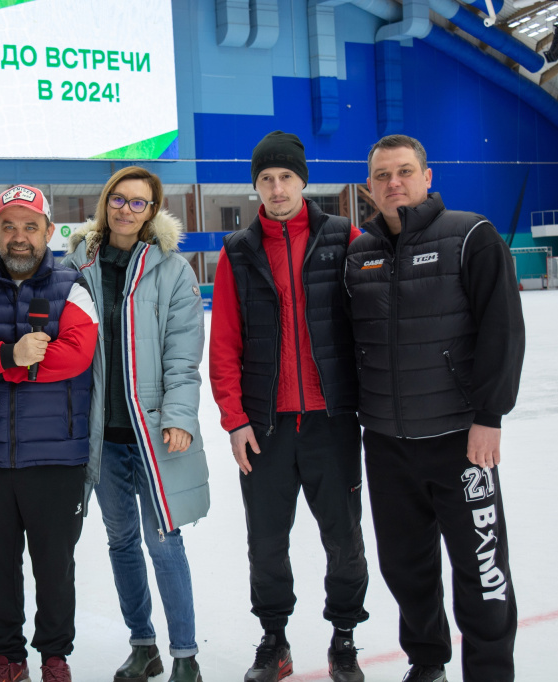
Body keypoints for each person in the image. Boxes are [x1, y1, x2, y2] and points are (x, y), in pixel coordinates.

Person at [345, 135, 524, 682]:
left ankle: (489, 673)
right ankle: (427, 663)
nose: (393, 182)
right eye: (382, 175)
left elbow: (502, 331)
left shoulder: (471, 236)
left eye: (404, 171)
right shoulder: (360, 254)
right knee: (406, 568)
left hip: (460, 441)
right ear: (369, 186)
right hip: (387, 444)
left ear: (427, 176)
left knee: (482, 571)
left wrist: (489, 417)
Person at [209, 131, 369, 682]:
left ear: (302, 180)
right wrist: (235, 420)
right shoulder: (237, 251)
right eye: (265, 179)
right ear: (255, 186)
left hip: (332, 421)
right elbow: (225, 343)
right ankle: (274, 639)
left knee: (344, 538)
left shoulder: (344, 238)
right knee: (266, 542)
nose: (276, 189)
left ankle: (344, 637)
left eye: (285, 177)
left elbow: (371, 323)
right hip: (266, 427)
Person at [0, 185, 99, 682]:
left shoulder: (73, 287)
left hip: (56, 456)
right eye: (9, 227)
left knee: (54, 568)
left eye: (30, 226)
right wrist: (10, 355)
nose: (19, 236)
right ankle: (8, 657)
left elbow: (75, 356)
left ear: (49, 232)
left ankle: (54, 656)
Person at [63, 167, 208, 682]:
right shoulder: (78, 264)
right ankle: (143, 645)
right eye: (119, 199)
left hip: (154, 433)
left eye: (138, 202)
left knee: (164, 540)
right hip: (103, 437)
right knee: (121, 541)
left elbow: (183, 353)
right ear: (106, 202)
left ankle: (185, 655)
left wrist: (179, 415)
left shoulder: (172, 269)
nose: (126, 210)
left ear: (152, 210)